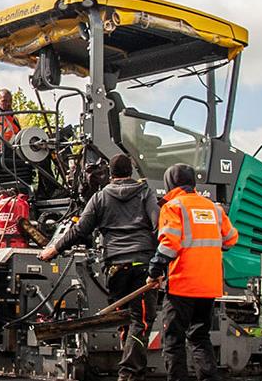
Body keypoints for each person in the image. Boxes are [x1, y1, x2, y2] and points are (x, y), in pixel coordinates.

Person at [38, 154, 159, 381]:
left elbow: (79, 230)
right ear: (131, 171)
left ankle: (130, 368)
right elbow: (158, 225)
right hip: (142, 264)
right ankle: (130, 373)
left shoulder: (99, 198)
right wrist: (162, 263)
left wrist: (53, 249)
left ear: (110, 174)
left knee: (124, 318)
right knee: (140, 321)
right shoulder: (145, 193)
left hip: (114, 266)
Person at [147, 164, 238, 381]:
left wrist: (155, 269)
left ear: (170, 183)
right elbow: (231, 239)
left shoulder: (173, 206)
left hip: (183, 285)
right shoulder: (214, 209)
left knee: (174, 340)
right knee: (200, 337)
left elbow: (170, 244)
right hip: (208, 287)